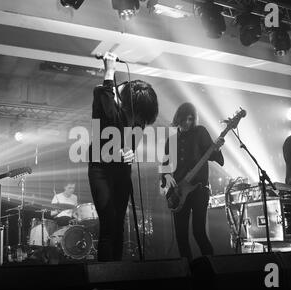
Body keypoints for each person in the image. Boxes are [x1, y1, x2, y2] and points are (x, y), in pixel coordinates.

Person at [88, 52, 159, 262]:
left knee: (119, 224)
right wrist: (109, 71)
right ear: (129, 104)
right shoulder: (104, 97)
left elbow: (133, 141)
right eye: (136, 116)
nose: (138, 121)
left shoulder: (139, 113)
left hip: (121, 171)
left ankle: (117, 275)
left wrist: (130, 151)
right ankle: (104, 280)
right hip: (101, 169)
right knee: (108, 223)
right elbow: (109, 117)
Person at [161, 103, 224, 262]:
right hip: (179, 191)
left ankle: (211, 269)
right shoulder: (171, 140)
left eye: (191, 119)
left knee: (199, 232)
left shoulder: (200, 132)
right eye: (185, 119)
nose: (188, 122)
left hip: (199, 190)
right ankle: (189, 273)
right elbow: (165, 165)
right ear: (178, 118)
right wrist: (167, 176)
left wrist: (216, 149)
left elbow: (214, 156)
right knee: (181, 236)